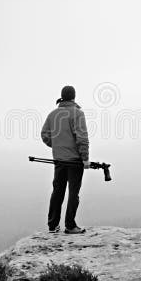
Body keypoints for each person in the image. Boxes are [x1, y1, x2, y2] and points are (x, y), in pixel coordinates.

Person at [40, 85, 90, 234]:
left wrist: (57, 146)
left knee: (58, 192)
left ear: (62, 97)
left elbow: (45, 135)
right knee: (73, 193)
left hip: (59, 160)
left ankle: (52, 226)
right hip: (75, 160)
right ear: (74, 97)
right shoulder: (77, 113)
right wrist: (85, 158)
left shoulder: (52, 114)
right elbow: (82, 137)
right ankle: (70, 225)